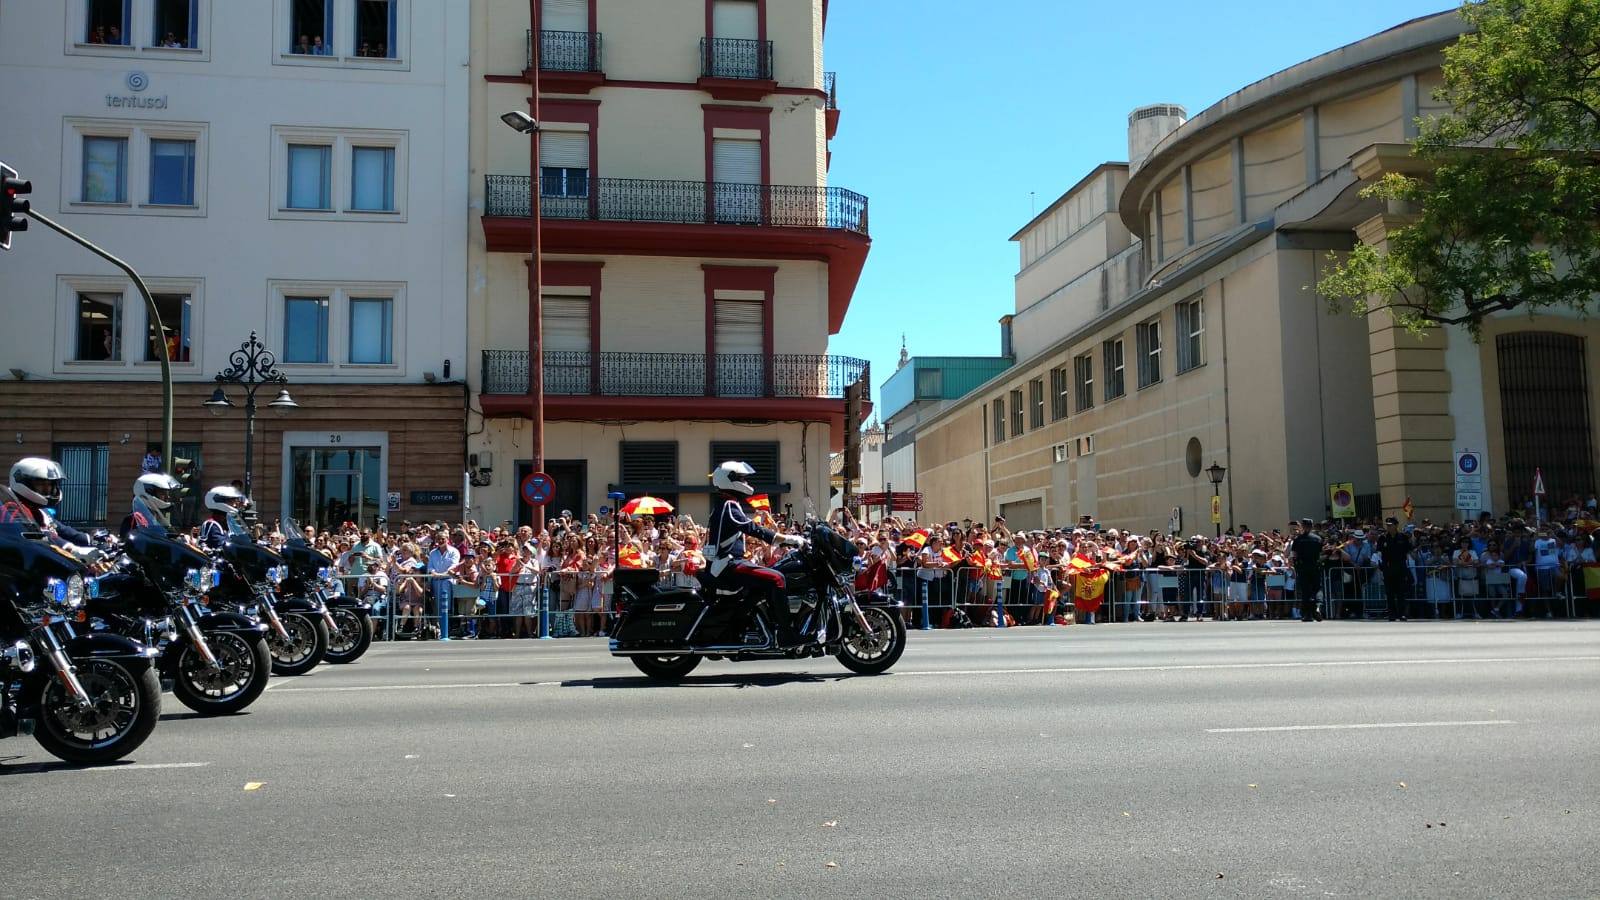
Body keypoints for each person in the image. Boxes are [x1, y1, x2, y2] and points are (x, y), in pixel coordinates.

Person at [706, 461, 805, 648]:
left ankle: (755, 624)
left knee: (763, 582)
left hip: (724, 564)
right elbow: (753, 528)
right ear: (730, 480)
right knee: (777, 579)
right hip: (728, 565)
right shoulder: (729, 505)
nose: (746, 482)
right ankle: (786, 634)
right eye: (742, 478)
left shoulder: (725, 504)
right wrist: (789, 539)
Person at [0, 458, 102, 565]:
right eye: (41, 484)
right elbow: (33, 535)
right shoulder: (9, 507)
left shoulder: (40, 510)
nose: (48, 489)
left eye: (50, 485)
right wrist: (72, 549)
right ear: (21, 481)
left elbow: (63, 530)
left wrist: (95, 540)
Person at [121, 471, 182, 540]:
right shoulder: (133, 519)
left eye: (167, 493)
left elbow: (171, 536)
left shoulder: (159, 516)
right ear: (149, 492)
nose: (167, 497)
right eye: (162, 493)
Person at [1374, 517, 1413, 621]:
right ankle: (1392, 614)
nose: (1388, 527)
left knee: (1401, 592)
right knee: (1389, 593)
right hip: (1388, 567)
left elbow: (1409, 550)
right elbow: (1379, 552)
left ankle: (1402, 614)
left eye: (1390, 525)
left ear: (1396, 525)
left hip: (1400, 567)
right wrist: (1381, 565)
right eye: (1387, 525)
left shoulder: (1403, 537)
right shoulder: (1383, 538)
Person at [1289, 518, 1324, 622]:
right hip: (1315, 566)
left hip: (1303, 567)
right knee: (1317, 588)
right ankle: (1317, 607)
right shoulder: (1318, 539)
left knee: (1305, 591)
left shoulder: (1298, 539)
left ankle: (1308, 614)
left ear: (1303, 526)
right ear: (1312, 526)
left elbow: (1294, 555)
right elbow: (1321, 554)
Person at [199, 485, 246, 549]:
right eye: (231, 500)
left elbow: (242, 538)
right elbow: (222, 545)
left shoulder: (229, 522)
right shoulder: (211, 524)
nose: (235, 504)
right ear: (219, 501)